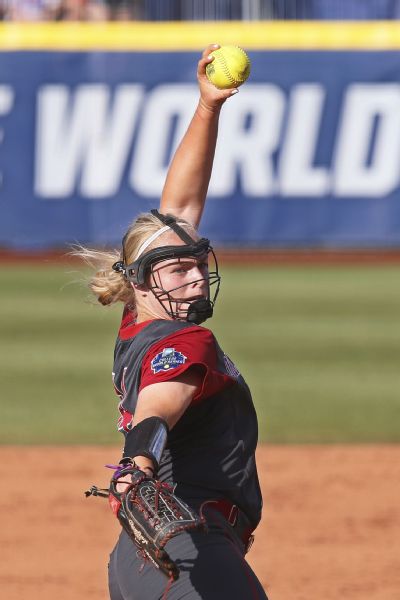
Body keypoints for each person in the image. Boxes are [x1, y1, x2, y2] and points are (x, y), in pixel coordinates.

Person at [80, 46, 268, 600]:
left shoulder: (138, 319)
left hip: (144, 559)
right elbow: (159, 404)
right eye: (178, 268)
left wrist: (208, 108)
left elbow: (178, 212)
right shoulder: (186, 340)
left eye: (196, 264)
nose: (193, 278)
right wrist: (136, 464)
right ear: (140, 280)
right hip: (188, 555)